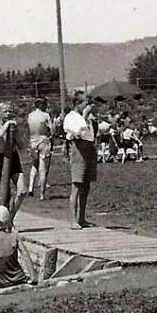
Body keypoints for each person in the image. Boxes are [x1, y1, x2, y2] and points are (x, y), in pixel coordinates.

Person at [0, 205, 38, 293]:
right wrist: (33, 277)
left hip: (3, 283)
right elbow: (25, 255)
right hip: (19, 280)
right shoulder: (14, 237)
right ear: (7, 221)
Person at [63, 91, 97, 229]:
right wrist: (85, 116)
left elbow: (91, 133)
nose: (87, 106)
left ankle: (82, 218)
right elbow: (77, 130)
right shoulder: (72, 117)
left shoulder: (86, 117)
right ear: (78, 103)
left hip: (89, 149)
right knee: (77, 185)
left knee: (86, 186)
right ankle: (73, 220)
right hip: (79, 150)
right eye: (85, 103)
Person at [0, 102, 30, 222]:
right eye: (5, 111)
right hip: (2, 159)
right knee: (5, 195)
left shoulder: (13, 126)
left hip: (13, 158)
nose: (8, 114)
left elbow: (21, 145)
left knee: (22, 190)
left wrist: (16, 131)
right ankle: (1, 220)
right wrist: (7, 125)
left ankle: (10, 218)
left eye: (10, 111)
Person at [27, 97, 53, 199]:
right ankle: (42, 194)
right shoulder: (46, 115)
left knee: (34, 165)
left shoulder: (30, 116)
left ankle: (30, 188)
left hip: (33, 141)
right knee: (43, 168)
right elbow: (51, 129)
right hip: (43, 140)